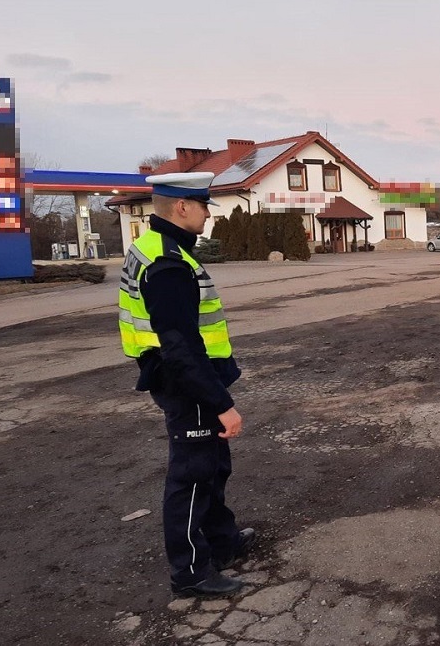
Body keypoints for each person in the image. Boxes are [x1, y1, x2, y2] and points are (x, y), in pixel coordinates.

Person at [118, 172, 255, 598]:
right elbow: (179, 346)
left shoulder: (157, 247)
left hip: (189, 379)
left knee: (213, 466)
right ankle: (191, 571)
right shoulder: (168, 264)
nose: (207, 215)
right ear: (182, 207)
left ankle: (222, 542)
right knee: (192, 476)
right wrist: (221, 403)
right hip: (186, 383)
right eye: (203, 207)